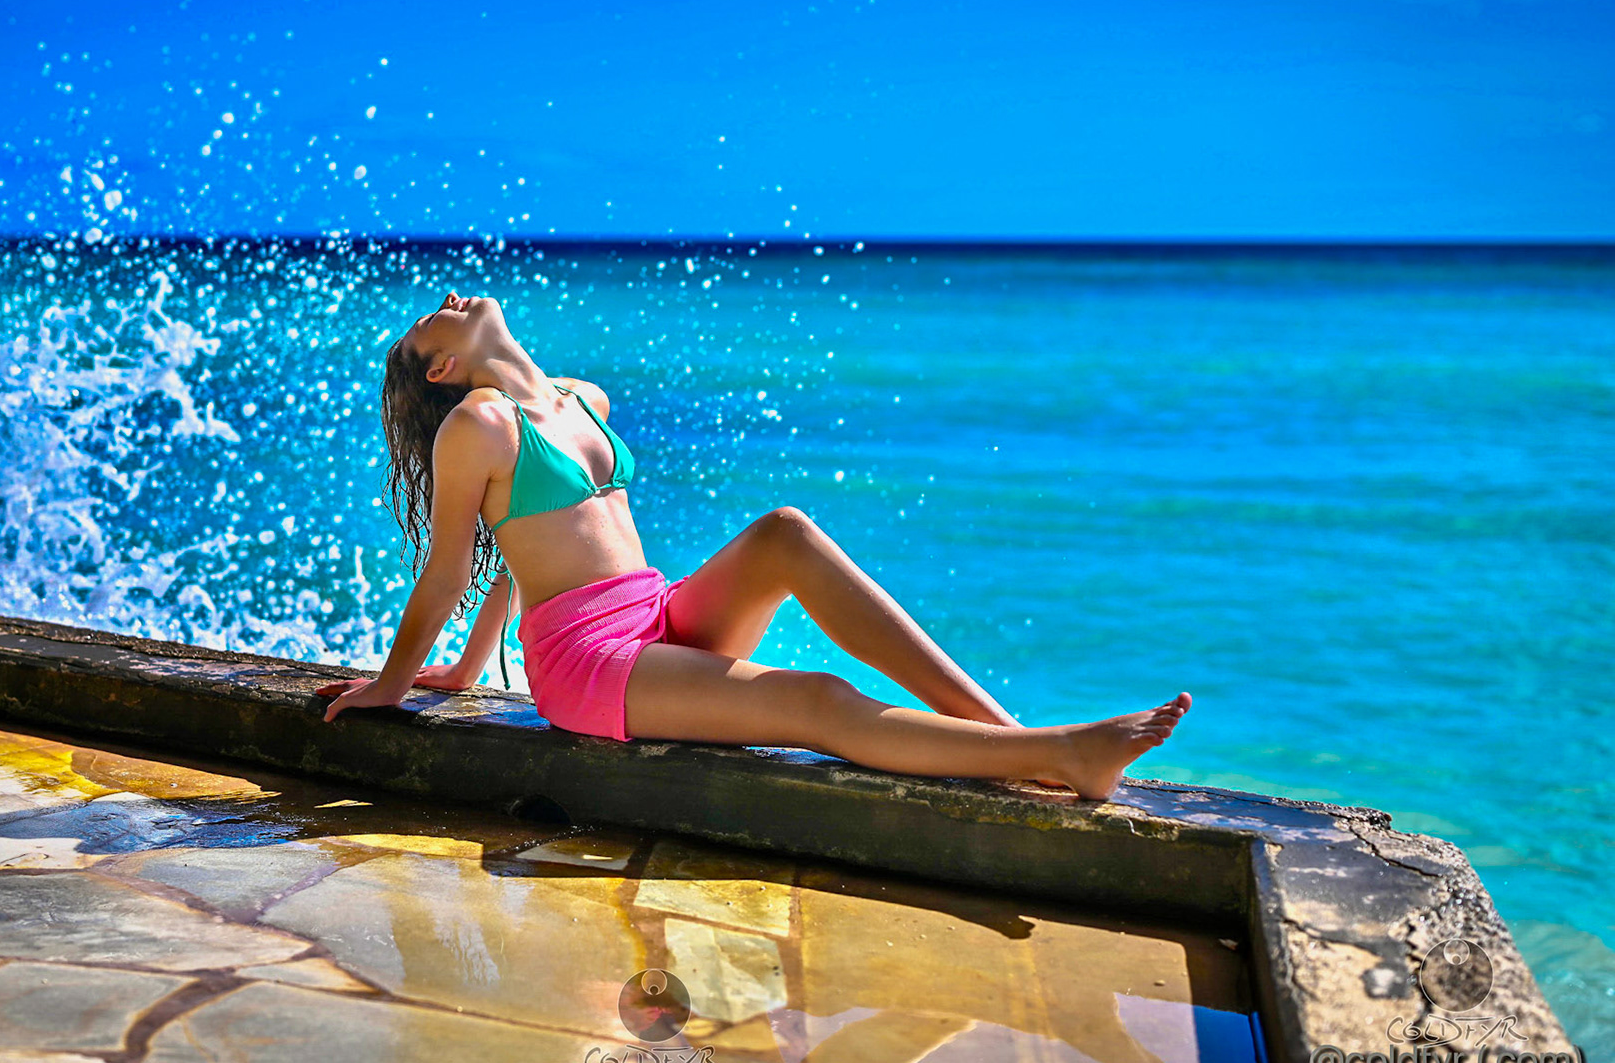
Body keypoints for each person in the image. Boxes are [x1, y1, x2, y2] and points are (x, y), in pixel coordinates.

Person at [316, 290, 1190, 800]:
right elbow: (449, 573)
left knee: (785, 533)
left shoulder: (583, 398)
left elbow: (521, 552)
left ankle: (1001, 733)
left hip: (654, 619)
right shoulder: (476, 423)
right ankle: (1062, 754)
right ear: (440, 369)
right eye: (433, 321)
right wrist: (395, 686)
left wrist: (473, 670)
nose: (451, 302)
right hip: (590, 662)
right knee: (812, 697)